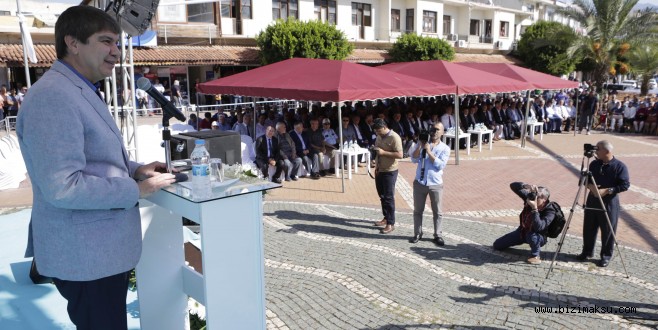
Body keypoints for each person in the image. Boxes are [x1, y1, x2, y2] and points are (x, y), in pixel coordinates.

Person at [16, 6, 177, 330]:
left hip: (96, 255)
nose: (116, 52)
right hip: (86, 259)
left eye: (117, 43)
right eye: (106, 41)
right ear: (72, 43)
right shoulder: (54, 97)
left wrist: (135, 169)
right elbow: (64, 186)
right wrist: (136, 189)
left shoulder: (77, 88)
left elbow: (92, 159)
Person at [575, 140, 630, 267]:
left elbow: (625, 185)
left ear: (607, 151)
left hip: (609, 202)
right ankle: (587, 251)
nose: (595, 151)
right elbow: (583, 180)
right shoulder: (594, 163)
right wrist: (591, 187)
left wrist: (608, 190)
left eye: (598, 149)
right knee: (588, 227)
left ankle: (606, 255)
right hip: (592, 199)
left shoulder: (620, 166)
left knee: (608, 230)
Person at [493, 183, 557, 264]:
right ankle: (522, 239)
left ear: (544, 198)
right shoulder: (531, 197)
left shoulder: (550, 211)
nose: (535, 198)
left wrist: (534, 209)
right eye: (535, 195)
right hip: (522, 232)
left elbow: (539, 227)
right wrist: (526, 186)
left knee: (532, 235)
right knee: (497, 245)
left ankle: (535, 255)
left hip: (538, 236)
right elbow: (513, 186)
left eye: (538, 197)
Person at [409, 122, 450, 246]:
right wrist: (420, 146)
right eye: (433, 129)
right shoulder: (422, 143)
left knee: (437, 211)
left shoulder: (445, 148)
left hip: (435, 183)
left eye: (438, 129)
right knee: (417, 210)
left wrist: (429, 152)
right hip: (420, 182)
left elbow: (440, 165)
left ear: (442, 132)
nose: (435, 132)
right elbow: (413, 159)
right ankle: (417, 233)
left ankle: (438, 235)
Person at [371, 118, 403, 234]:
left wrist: (384, 153)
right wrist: (375, 163)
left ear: (384, 127)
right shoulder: (379, 136)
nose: (377, 133)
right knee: (382, 196)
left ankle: (391, 223)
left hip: (390, 171)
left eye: (378, 130)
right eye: (376, 131)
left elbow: (400, 155)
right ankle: (385, 217)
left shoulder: (395, 137)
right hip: (380, 170)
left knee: (389, 198)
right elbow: (376, 151)